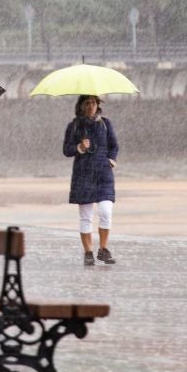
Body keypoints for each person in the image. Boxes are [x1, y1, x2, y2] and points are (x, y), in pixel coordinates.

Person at [63, 94, 119, 266]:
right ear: (81, 105)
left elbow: (114, 145)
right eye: (87, 103)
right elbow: (66, 149)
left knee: (105, 211)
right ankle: (88, 252)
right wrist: (79, 147)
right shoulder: (74, 126)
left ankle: (103, 249)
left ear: (98, 104)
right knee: (85, 216)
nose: (91, 106)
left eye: (93, 103)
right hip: (83, 174)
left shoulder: (105, 124)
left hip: (103, 174)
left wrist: (111, 160)